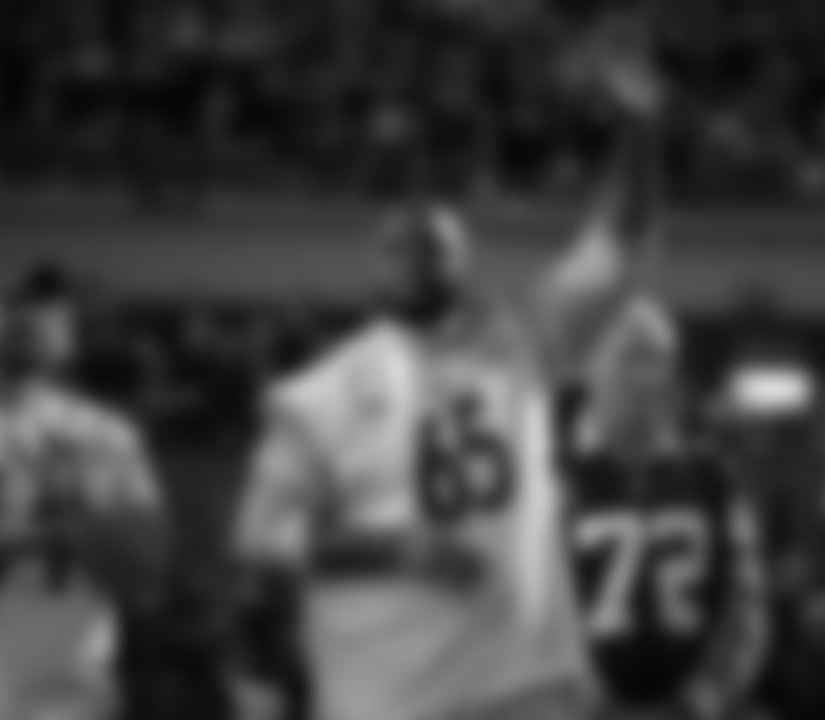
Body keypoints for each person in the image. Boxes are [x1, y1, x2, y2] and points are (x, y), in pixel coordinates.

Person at [229, 36, 667, 720]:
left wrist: (640, 128)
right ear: (371, 263)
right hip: (390, 698)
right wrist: (394, 549)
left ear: (466, 254)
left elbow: (620, 238)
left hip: (528, 688)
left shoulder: (524, 335)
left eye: (431, 238)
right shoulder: (320, 393)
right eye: (397, 241)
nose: (414, 250)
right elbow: (258, 539)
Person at [0, 278, 167, 720]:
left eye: (41, 305)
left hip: (70, 698)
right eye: (5, 302)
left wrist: (108, 535)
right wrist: (29, 539)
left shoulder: (107, 433)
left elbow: (144, 579)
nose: (26, 316)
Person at [558, 292, 769, 720]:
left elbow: (744, 603)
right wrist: (580, 699)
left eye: (655, 359)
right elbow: (528, 608)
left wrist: (702, 698)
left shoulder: (712, 480)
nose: (642, 376)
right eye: (627, 356)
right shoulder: (555, 477)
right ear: (590, 368)